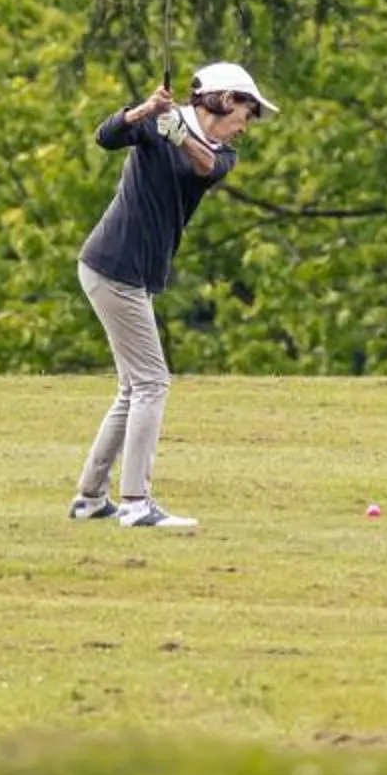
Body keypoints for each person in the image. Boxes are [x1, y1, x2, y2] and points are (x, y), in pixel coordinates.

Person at [68, 59, 277, 532]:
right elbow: (105, 137)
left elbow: (203, 165)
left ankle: (89, 498)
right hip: (113, 267)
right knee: (152, 383)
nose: (248, 124)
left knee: (132, 388)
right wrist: (145, 110)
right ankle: (136, 502)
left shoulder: (220, 153)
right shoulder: (154, 126)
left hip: (127, 273)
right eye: (247, 110)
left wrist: (177, 133)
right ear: (223, 100)